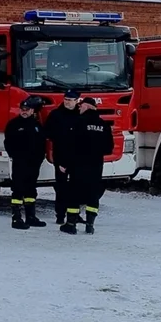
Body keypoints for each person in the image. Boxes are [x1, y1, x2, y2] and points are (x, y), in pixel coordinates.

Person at [63, 97, 114, 234]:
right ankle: (90, 225)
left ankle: (71, 224)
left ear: (86, 106)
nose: (79, 108)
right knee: (93, 194)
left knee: (74, 193)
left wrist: (65, 163)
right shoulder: (104, 125)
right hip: (96, 165)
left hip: (78, 164)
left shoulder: (78, 122)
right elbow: (109, 148)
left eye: (81, 106)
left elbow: (70, 146)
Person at [4, 95, 48, 230]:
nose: (24, 111)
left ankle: (31, 216)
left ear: (32, 111)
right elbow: (8, 143)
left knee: (31, 189)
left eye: (27, 109)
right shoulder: (14, 125)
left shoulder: (36, 125)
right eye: (22, 109)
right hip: (20, 162)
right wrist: (15, 156)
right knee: (17, 189)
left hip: (34, 163)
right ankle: (16, 218)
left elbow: (42, 143)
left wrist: (40, 158)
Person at [43, 89, 82, 227]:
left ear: (77, 101)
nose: (67, 102)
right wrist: (59, 137)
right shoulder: (56, 115)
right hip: (61, 157)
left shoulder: (81, 115)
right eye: (66, 99)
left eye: (70, 100)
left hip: (77, 158)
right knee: (61, 188)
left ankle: (75, 215)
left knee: (76, 187)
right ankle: (60, 215)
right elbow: (47, 132)